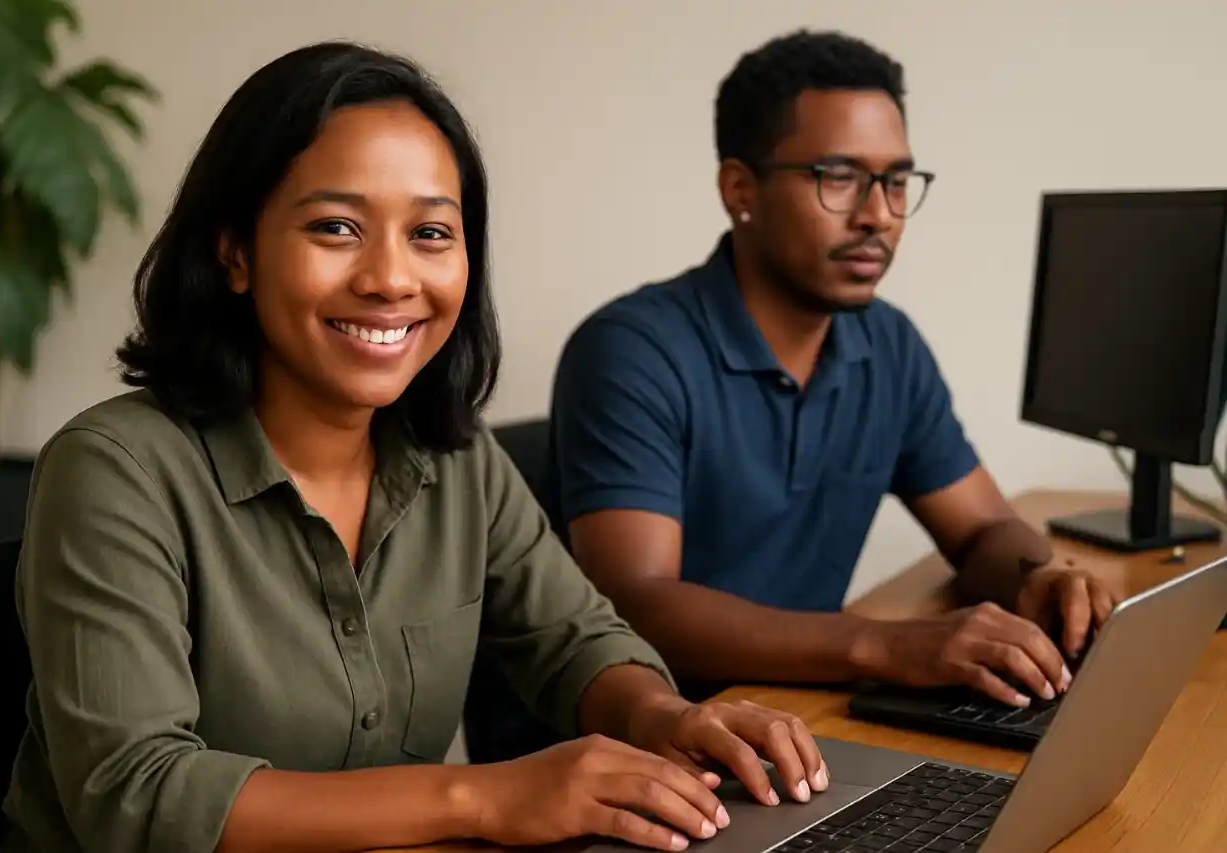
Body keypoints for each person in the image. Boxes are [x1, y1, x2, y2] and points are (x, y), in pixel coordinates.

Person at [0, 42, 831, 853]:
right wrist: (486, 794)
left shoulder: (454, 455)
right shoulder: (115, 469)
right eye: (336, 226)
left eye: (431, 233)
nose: (392, 279)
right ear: (235, 252)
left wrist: (666, 719)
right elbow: (137, 795)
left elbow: (575, 643)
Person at [463, 28, 1120, 764]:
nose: (877, 213)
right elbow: (637, 600)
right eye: (838, 176)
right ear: (740, 190)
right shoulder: (631, 349)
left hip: (788, 725)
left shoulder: (888, 345)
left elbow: (981, 529)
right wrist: (884, 644)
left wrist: (1039, 578)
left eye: (896, 181)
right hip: (621, 757)